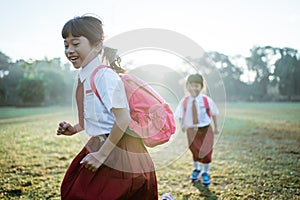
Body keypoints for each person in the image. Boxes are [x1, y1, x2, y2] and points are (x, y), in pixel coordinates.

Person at [56, 15, 158, 199]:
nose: (69, 50)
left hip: (121, 149)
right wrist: (75, 128)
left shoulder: (104, 76)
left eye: (76, 43)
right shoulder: (84, 77)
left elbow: (123, 119)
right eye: (66, 45)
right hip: (100, 144)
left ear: (97, 45)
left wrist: (101, 155)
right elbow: (101, 118)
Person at [175, 74, 219, 186]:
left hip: (205, 128)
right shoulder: (184, 101)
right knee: (194, 150)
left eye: (197, 86)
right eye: (191, 86)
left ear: (201, 86)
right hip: (191, 130)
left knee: (207, 151)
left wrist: (216, 127)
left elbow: (213, 114)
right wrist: (182, 125)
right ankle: (197, 169)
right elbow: (180, 115)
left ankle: (205, 172)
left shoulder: (206, 100)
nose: (194, 88)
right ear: (187, 87)